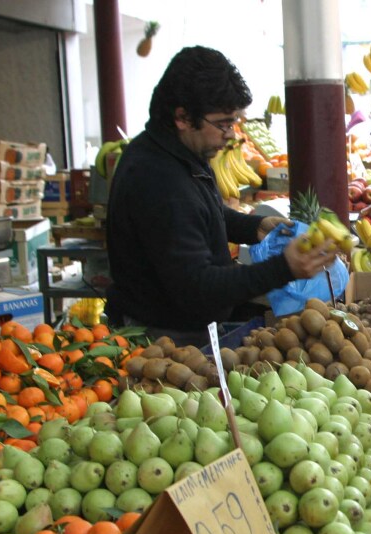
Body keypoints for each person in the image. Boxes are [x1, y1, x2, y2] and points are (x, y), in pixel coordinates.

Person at [105, 46, 337, 347]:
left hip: (186, 325)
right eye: (224, 123)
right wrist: (284, 268)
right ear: (183, 118)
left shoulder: (180, 153)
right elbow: (198, 288)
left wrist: (254, 227)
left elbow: (200, 213)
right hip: (162, 341)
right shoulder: (156, 180)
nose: (231, 134)